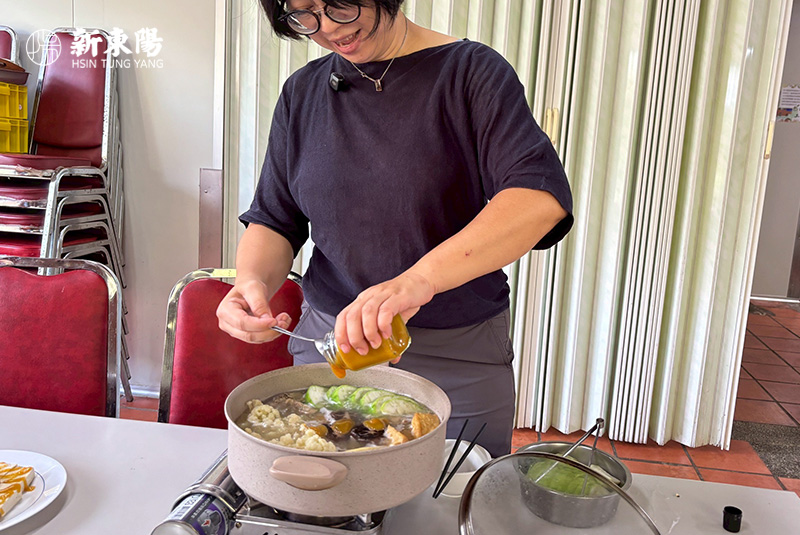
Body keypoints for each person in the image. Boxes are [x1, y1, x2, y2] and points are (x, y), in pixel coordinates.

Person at [216, 0, 574, 458]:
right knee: (328, 502)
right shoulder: (302, 93)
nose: (327, 28)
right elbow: (275, 218)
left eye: (339, 5)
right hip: (332, 349)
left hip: (454, 348)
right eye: (303, 15)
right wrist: (250, 283)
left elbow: (537, 199)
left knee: (451, 503)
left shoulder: (470, 72)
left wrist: (416, 281)